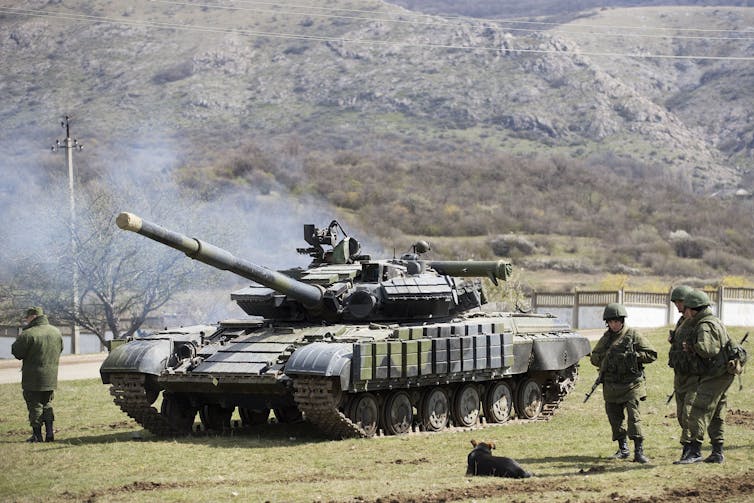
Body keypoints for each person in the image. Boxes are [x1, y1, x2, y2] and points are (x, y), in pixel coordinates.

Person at [590, 303, 658, 463]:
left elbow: (652, 354)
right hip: (611, 385)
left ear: (622, 320)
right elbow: (594, 357)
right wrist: (607, 358)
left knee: (634, 418)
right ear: (607, 322)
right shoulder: (606, 339)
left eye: (617, 321)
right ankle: (623, 449)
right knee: (615, 418)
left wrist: (634, 357)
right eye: (611, 322)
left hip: (631, 385)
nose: (614, 324)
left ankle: (639, 452)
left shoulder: (633, 335)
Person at [676, 290, 735, 464]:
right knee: (716, 413)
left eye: (686, 309)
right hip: (722, 374)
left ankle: (695, 451)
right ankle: (717, 451)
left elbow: (708, 350)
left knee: (697, 409)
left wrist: (691, 347)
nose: (684, 312)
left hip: (715, 375)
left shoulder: (704, 325)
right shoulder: (714, 320)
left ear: (694, 309)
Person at [11, 306, 63, 442]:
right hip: (51, 376)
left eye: (27, 318)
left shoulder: (28, 334)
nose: (26, 321)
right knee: (47, 403)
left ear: (33, 317)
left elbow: (17, 353)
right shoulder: (56, 332)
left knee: (35, 405)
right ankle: (50, 433)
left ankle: (37, 435)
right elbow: (60, 349)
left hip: (33, 377)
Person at [666, 285, 695, 463]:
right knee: (680, 414)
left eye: (680, 301)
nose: (677, 305)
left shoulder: (697, 321)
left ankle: (690, 449)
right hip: (681, 373)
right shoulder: (681, 321)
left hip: (694, 374)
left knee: (689, 413)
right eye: (675, 302)